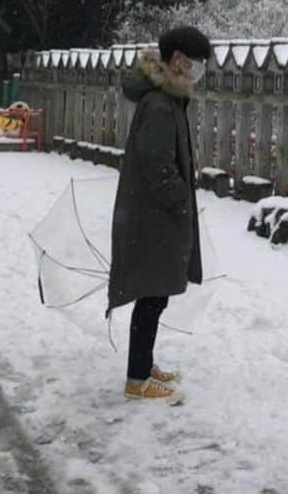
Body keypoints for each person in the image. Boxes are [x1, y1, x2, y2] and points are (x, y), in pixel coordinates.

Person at [107, 24, 210, 404]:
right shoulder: (161, 104)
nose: (199, 68)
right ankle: (137, 379)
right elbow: (157, 165)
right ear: (178, 60)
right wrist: (180, 198)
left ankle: (144, 364)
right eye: (196, 60)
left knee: (156, 294)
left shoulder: (168, 97)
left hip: (153, 214)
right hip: (153, 217)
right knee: (151, 295)